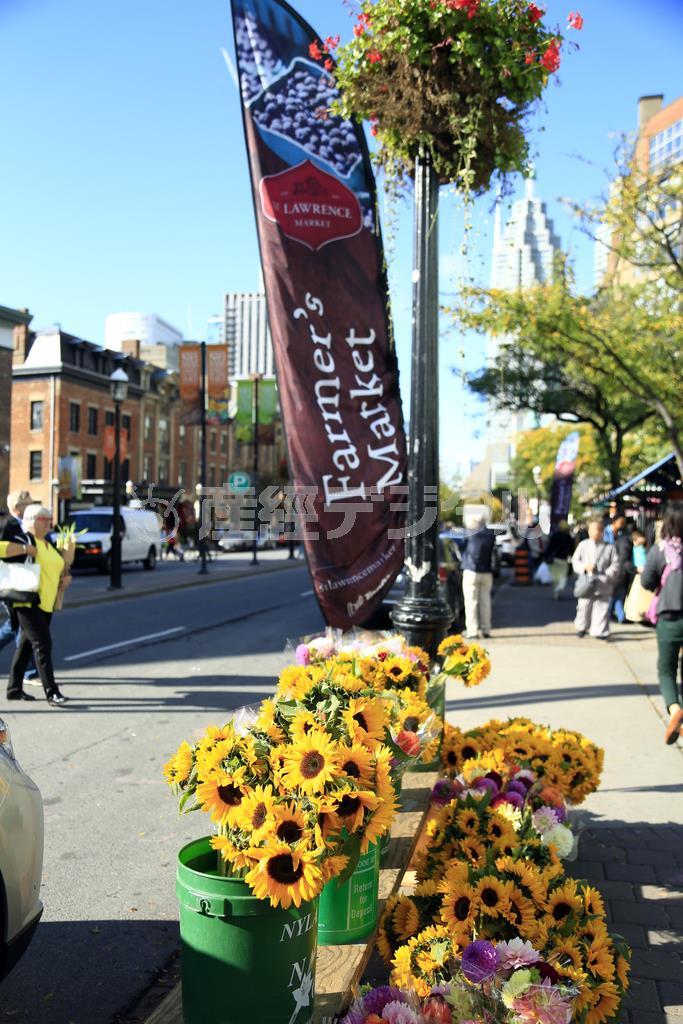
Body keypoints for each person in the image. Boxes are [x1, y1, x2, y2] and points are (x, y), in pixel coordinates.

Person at [0, 503, 71, 706]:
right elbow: (1, 549)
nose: (49, 522)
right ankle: (52, 692)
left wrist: (67, 578)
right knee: (43, 644)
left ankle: (14, 689)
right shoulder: (25, 539)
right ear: (31, 521)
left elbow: (59, 567)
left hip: (47, 604)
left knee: (26, 646)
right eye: (44, 519)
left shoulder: (48, 542)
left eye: (49, 519)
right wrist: (24, 549)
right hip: (27, 602)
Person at [641, 501, 683, 744]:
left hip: (668, 617)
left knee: (666, 669)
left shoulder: (660, 550)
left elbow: (647, 581)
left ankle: (674, 709)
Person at [0, 490, 39, 682]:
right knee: (22, 627)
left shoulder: (26, 525)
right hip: (10, 583)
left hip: (23, 582)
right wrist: (25, 550)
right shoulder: (8, 526)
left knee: (13, 626)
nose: (31, 508)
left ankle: (29, 671)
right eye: (27, 505)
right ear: (16, 507)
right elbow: (3, 552)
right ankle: (29, 671)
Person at [571, 516, 619, 639]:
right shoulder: (583, 545)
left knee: (601, 608)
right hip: (586, 582)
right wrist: (585, 567)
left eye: (597, 530)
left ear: (602, 532)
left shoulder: (610, 547)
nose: (594, 533)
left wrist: (607, 574)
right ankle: (582, 627)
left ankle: (600, 631)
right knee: (583, 607)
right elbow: (575, 560)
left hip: (603, 582)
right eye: (592, 530)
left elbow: (615, 564)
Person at [460, 513, 495, 639]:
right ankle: (486, 629)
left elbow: (462, 547)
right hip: (486, 571)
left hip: (471, 570)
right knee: (485, 602)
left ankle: (472, 631)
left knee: (471, 602)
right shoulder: (490, 535)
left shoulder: (470, 533)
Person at [610, 516, 634, 624]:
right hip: (621, 571)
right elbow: (624, 557)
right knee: (618, 593)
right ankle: (612, 614)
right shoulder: (625, 540)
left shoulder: (621, 538)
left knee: (617, 594)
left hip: (617, 570)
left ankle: (620, 616)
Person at [544, 520, 574, 598]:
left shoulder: (555, 535)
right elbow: (571, 548)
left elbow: (550, 547)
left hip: (554, 559)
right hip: (564, 559)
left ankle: (556, 591)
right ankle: (559, 588)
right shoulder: (568, 536)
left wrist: (547, 556)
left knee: (555, 577)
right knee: (563, 576)